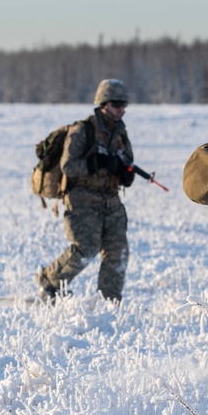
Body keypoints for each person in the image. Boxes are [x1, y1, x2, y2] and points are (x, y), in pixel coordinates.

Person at [38, 79, 135, 301]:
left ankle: (109, 302)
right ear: (103, 104)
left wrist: (125, 173)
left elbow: (127, 161)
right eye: (116, 104)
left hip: (111, 201)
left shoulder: (120, 133)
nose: (121, 109)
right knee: (86, 248)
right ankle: (50, 282)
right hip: (82, 199)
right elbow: (68, 167)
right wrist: (96, 163)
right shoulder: (83, 130)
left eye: (123, 105)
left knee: (117, 252)